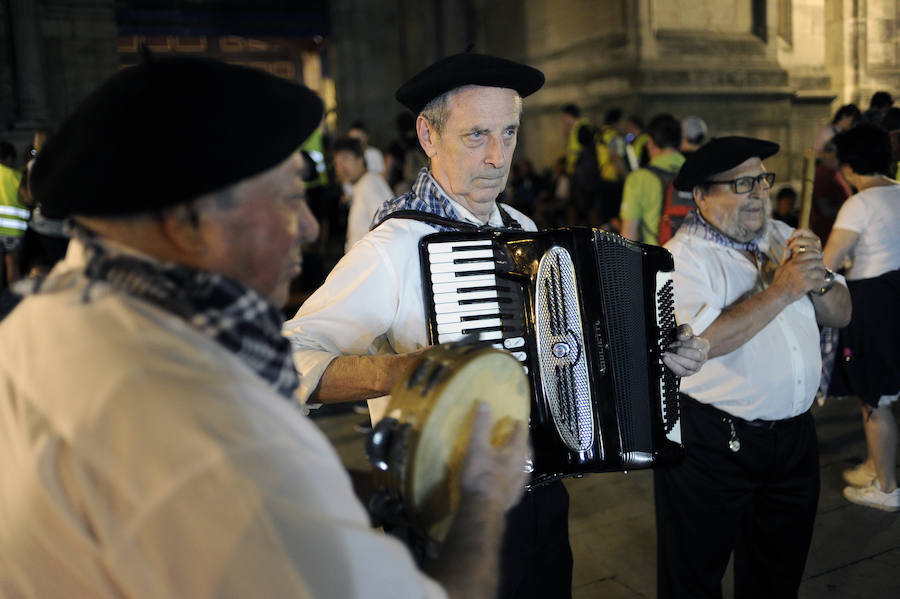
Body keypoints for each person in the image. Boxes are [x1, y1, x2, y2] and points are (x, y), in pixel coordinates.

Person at [0, 55, 531, 599]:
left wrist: (370, 489)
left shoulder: (38, 321)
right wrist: (482, 506)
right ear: (188, 222)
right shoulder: (198, 422)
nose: (305, 228)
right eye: (288, 197)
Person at [284, 52, 709, 599]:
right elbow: (290, 354)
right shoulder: (392, 248)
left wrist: (658, 354)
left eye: (508, 133)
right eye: (476, 135)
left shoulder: (523, 230)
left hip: (541, 502)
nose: (496, 156)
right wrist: (403, 371)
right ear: (428, 136)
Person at [655, 136, 852, 598]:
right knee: (694, 576)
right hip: (714, 444)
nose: (759, 193)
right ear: (703, 197)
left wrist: (818, 279)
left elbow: (843, 313)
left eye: (762, 179)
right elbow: (706, 342)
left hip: (795, 440)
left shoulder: (785, 236)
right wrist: (783, 288)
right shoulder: (680, 259)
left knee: (777, 574)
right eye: (742, 184)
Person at [823, 123, 900, 512]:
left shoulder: (859, 203)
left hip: (873, 305)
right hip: (896, 297)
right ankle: (875, 464)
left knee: (875, 398)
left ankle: (886, 487)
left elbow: (828, 264)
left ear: (850, 166)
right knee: (879, 393)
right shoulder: (899, 191)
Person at [619, 113, 685, 244]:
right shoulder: (694, 174)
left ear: (650, 143)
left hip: (655, 261)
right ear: (680, 142)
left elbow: (629, 235)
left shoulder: (638, 179)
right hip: (690, 261)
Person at [332, 136, 393, 252]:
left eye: (345, 159)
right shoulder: (362, 185)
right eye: (337, 163)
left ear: (360, 160)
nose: (341, 168)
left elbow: (387, 227)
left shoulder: (370, 185)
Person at [0, 140, 29, 288]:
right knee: (12, 263)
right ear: (9, 158)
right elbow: (27, 198)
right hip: (13, 230)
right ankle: (12, 298)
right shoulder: (16, 176)